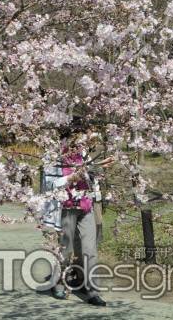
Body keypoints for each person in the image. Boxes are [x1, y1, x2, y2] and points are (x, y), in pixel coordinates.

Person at [50, 125, 112, 306]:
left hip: (86, 205)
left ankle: (92, 291)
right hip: (66, 206)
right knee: (66, 248)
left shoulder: (83, 154)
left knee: (90, 249)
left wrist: (100, 166)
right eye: (79, 137)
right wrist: (71, 178)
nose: (82, 141)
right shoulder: (55, 155)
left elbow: (90, 173)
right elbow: (51, 184)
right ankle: (58, 282)